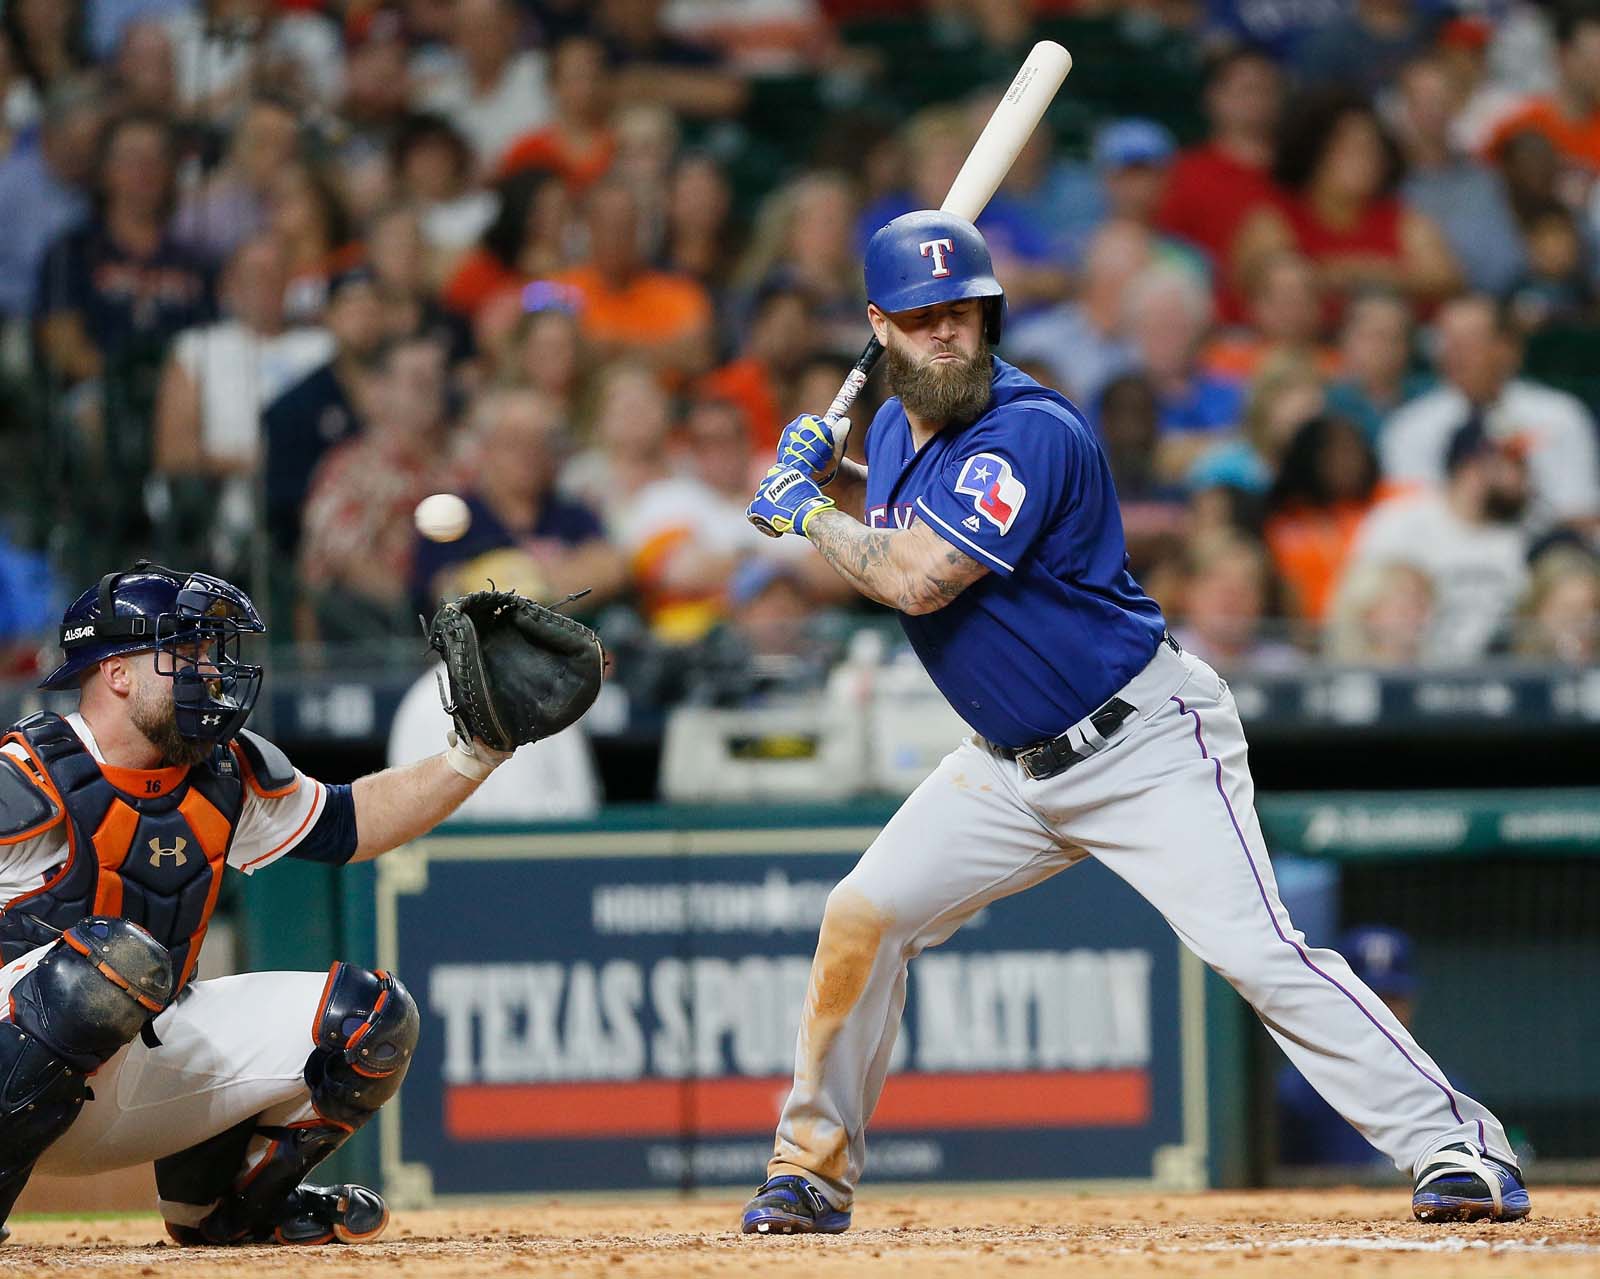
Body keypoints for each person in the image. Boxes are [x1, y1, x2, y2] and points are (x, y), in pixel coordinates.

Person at [739, 209, 1529, 1234]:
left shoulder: (1030, 426)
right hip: (1007, 768)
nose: (947, 333)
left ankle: (1459, 1148)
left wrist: (804, 509)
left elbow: (921, 576)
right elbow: (905, 515)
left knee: (1257, 950)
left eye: (964, 313)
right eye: (923, 316)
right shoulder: (890, 430)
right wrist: (835, 474)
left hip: (1142, 743)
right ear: (880, 328)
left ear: (991, 319)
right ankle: (809, 1169)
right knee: (863, 914)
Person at [0, 559, 539, 1245]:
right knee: (106, 964)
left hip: (136, 1072)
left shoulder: (225, 771)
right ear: (117, 673)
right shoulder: (30, 774)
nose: (209, 669)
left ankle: (225, 1208)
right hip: (21, 1052)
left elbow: (352, 821)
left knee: (370, 1017)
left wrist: (476, 752)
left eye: (207, 651)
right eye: (185, 650)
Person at [1379, 294, 1600, 534]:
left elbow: (1580, 510)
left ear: (1507, 348)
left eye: (1469, 341)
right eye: (1447, 341)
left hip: (1539, 549)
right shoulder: (1409, 425)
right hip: (1440, 557)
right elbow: (1408, 515)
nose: (1454, 353)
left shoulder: (1560, 415)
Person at [1346, 415, 1533, 664]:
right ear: (1473, 467)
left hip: (1495, 676)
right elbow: (1357, 606)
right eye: (1514, 463)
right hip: (1409, 675)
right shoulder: (1400, 521)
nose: (1525, 477)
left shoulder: (1524, 535)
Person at [1278, 926, 1422, 1166]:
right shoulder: (1298, 1092)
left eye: (1392, 998)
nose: (1383, 1012)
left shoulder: (1445, 1092)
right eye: (1371, 999)